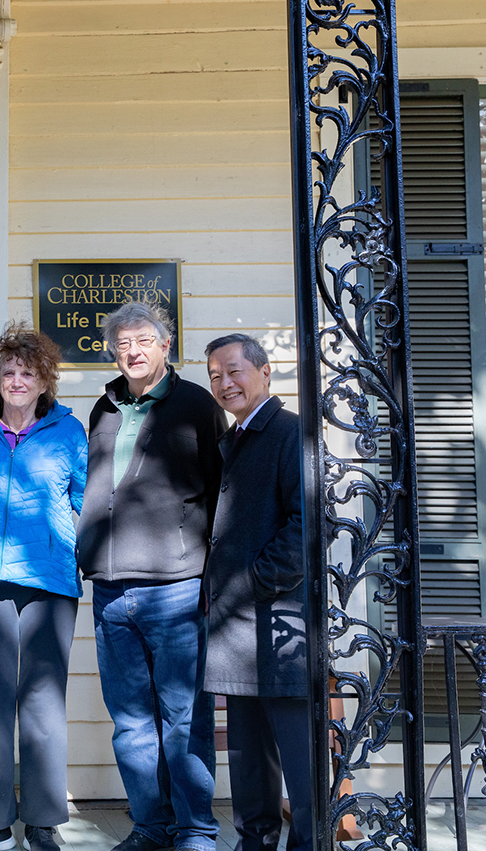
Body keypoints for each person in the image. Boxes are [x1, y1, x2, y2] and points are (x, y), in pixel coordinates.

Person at [76, 303, 226, 851]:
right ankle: (151, 826)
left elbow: (221, 492)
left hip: (177, 587)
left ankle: (195, 830)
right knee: (131, 723)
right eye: (123, 343)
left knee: (185, 717)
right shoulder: (105, 406)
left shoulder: (196, 407)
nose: (133, 351)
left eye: (144, 340)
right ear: (113, 351)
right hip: (111, 590)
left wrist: (212, 574)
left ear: (166, 346)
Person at [0, 324, 86, 851]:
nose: (16, 380)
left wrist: (56, 538)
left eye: (27, 372)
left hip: (50, 583)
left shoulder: (68, 432)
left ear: (43, 379)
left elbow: (82, 497)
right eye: (8, 371)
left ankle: (41, 822)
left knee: (43, 702)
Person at [202, 334, 310, 851]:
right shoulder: (236, 438)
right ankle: (255, 843)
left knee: (299, 759)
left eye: (235, 370)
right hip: (236, 632)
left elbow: (306, 527)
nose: (226, 383)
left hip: (279, 624)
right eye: (215, 376)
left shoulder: (289, 432)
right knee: (248, 760)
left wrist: (249, 584)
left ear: (265, 373)